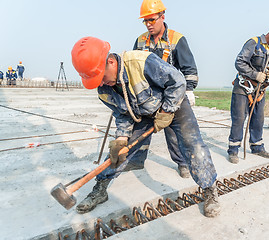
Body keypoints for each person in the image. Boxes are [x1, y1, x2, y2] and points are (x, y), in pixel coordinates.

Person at [71, 36, 220, 218]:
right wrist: (122, 137)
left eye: (100, 77)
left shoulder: (141, 62)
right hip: (144, 113)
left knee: (192, 145)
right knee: (118, 153)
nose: (100, 84)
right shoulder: (104, 89)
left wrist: (166, 111)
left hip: (174, 104)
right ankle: (100, 189)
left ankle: (210, 189)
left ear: (110, 62)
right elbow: (123, 114)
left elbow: (178, 81)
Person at [132, 0, 199, 178]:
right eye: (145, 21)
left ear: (163, 16)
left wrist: (189, 90)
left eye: (152, 20)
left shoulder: (177, 39)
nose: (148, 24)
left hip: (169, 94)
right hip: (146, 95)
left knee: (174, 132)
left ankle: (182, 163)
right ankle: (136, 160)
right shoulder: (140, 41)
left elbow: (189, 68)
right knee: (139, 129)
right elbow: (132, 68)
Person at [227, 18, 269, 163]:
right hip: (243, 88)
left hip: (260, 91)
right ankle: (233, 150)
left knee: (258, 119)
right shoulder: (254, 43)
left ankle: (257, 146)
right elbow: (239, 62)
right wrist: (255, 74)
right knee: (239, 119)